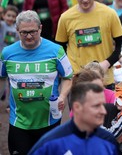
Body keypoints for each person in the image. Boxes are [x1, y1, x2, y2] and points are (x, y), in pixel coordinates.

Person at [0, 10, 73, 155]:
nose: (28, 36)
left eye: (33, 32)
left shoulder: (56, 51)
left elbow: (68, 77)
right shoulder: (7, 53)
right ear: (17, 30)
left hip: (49, 121)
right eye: (24, 32)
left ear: (40, 28)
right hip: (19, 122)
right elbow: (1, 78)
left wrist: (62, 96)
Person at [55, 0, 122, 89]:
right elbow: (60, 49)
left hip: (104, 79)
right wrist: (71, 69)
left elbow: (120, 45)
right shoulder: (66, 18)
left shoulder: (109, 14)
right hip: (78, 80)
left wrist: (106, 64)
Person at [29, 83, 120, 155]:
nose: (103, 111)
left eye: (103, 105)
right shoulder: (50, 143)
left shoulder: (109, 141)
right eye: (96, 106)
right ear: (77, 107)